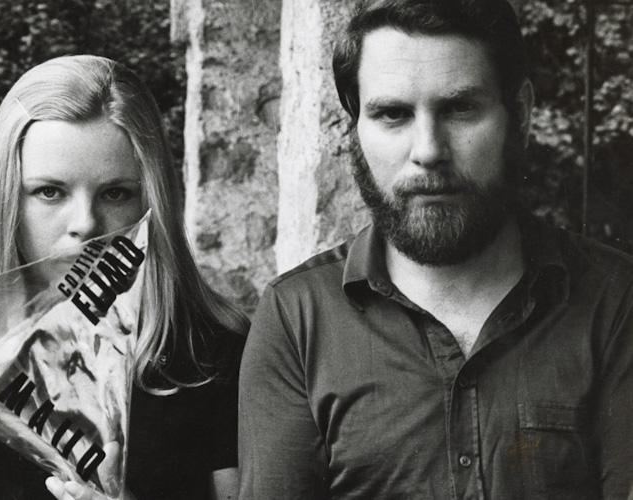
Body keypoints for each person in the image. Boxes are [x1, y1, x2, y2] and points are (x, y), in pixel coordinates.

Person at [238, 0, 633, 498]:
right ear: (355, 129)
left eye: (460, 109)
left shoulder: (617, 301)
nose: (428, 150)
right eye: (392, 114)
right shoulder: (297, 320)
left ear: (521, 114)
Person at [0, 55, 247, 500]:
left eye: (116, 193)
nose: (85, 223)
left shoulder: (212, 351)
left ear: (153, 201)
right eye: (50, 192)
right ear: (5, 202)